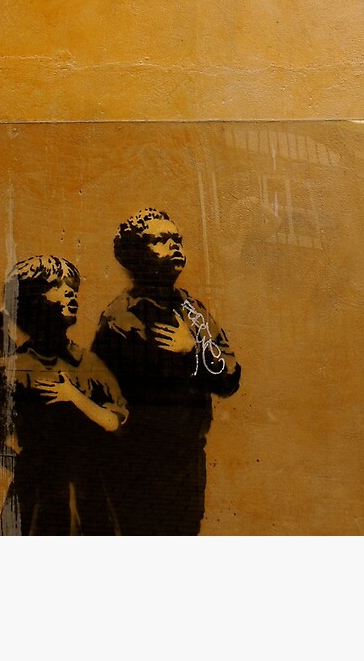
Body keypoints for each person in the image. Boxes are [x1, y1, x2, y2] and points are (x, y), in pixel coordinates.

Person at [91, 207, 241, 535]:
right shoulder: (120, 319)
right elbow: (107, 396)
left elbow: (230, 376)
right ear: (135, 255)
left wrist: (192, 350)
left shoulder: (194, 312)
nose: (174, 245)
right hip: (136, 463)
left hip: (187, 459)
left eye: (177, 239)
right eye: (160, 240)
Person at [0, 255, 128, 535]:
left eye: (72, 287)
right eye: (57, 286)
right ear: (31, 302)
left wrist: (74, 396)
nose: (70, 293)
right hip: (35, 498)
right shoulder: (9, 371)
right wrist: (30, 469)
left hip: (87, 495)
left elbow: (115, 423)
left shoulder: (90, 365)